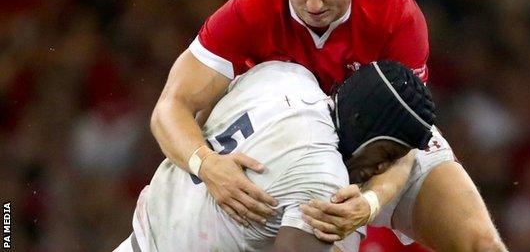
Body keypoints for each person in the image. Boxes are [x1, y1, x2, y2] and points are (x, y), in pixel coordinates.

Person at [150, 0, 506, 250]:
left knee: (482, 244)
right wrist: (207, 164)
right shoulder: (256, 0)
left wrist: (370, 201)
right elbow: (171, 107)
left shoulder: (397, 15)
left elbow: (406, 133)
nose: (315, 5)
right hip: (284, 150)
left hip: (379, 151)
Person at [116, 60, 436, 252]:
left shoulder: (283, 74)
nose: (381, 168)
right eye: (387, 153)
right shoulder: (324, 175)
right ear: (365, 126)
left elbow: (201, 115)